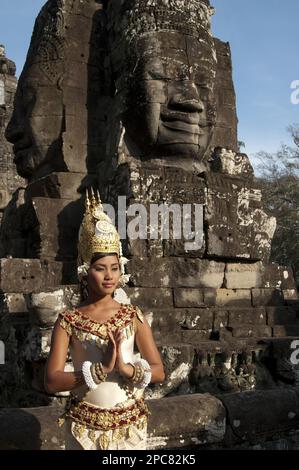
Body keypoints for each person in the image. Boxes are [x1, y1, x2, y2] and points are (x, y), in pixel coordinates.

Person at [44, 189, 165, 450]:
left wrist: (126, 370)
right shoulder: (68, 320)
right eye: (100, 268)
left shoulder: (133, 316)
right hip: (83, 431)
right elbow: (52, 380)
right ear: (85, 272)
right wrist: (99, 371)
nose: (109, 276)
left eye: (114, 268)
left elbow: (158, 371)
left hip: (130, 428)